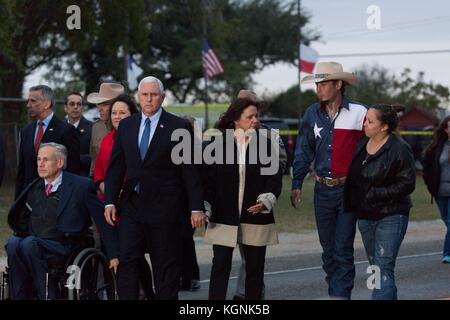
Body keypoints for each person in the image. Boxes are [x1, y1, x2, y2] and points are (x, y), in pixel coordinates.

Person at [103, 76, 206, 300]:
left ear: (162, 97)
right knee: (127, 261)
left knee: (165, 268)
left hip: (165, 209)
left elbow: (190, 170)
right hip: (132, 207)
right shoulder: (127, 125)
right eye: (145, 95)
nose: (149, 99)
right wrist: (110, 201)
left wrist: (196, 207)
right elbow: (116, 168)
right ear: (138, 97)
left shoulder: (178, 126)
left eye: (154, 95)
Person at [290, 62, 367, 299]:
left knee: (343, 249)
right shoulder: (311, 113)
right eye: (317, 84)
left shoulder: (360, 112)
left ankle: (340, 295)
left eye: (324, 84)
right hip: (322, 190)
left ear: (338, 84)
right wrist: (297, 183)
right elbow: (303, 149)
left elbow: (373, 150)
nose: (319, 88)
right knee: (328, 251)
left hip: (348, 190)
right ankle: (335, 289)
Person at [6, 143, 118, 300]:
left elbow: (102, 219)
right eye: (38, 159)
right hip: (36, 242)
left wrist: (113, 254)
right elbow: (23, 218)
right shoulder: (34, 187)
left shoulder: (81, 185)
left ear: (59, 163)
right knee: (13, 244)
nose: (40, 164)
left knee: (28, 244)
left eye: (46, 159)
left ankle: (50, 295)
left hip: (66, 245)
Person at [204, 98, 283, 300]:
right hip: (223, 217)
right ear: (236, 119)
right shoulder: (217, 145)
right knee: (220, 266)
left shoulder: (266, 145)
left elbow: (274, 180)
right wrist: (205, 206)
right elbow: (208, 181)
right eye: (250, 116)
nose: (255, 120)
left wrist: (266, 200)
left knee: (255, 270)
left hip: (256, 216)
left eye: (256, 116)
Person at [344, 104, 415, 300]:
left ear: (384, 127)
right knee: (375, 267)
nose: (364, 123)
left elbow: (407, 184)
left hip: (391, 215)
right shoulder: (361, 145)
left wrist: (375, 194)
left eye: (370, 121)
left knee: (383, 267)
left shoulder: (400, 148)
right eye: (365, 119)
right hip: (365, 217)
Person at [232, 89, 287, 300]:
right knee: (244, 252)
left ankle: (247, 293)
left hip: (258, 198)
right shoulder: (227, 133)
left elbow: (280, 164)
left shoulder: (270, 135)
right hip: (234, 203)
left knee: (253, 255)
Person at [15, 85, 80, 199]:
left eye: (33, 101)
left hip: (55, 198)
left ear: (46, 104)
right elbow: (22, 170)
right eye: (28, 101)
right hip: (29, 198)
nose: (28, 105)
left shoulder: (66, 130)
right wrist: (17, 203)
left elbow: (72, 169)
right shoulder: (26, 131)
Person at [423, 115, 450, 264]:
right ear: (446, 129)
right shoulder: (437, 148)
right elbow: (428, 168)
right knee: (447, 222)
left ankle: (447, 253)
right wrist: (430, 185)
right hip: (441, 192)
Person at [87, 82, 124, 177]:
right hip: (101, 184)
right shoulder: (96, 127)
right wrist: (96, 182)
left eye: (105, 104)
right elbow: (94, 159)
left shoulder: (134, 127)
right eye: (99, 104)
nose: (100, 108)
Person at [64, 92, 93, 177]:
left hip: (85, 178)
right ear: (65, 108)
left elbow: (96, 158)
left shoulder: (92, 128)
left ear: (82, 108)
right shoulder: (58, 128)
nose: (75, 107)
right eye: (72, 104)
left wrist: (72, 158)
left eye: (79, 104)